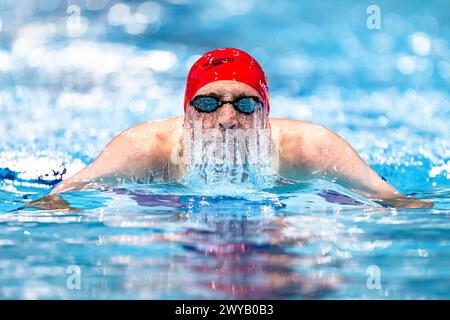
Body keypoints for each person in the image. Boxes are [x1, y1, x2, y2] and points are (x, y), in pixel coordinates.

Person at [34, 48, 432, 209]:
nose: (227, 120)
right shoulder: (144, 149)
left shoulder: (310, 149)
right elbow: (56, 199)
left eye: (245, 103)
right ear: (186, 113)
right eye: (208, 103)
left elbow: (398, 202)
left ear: (266, 113)